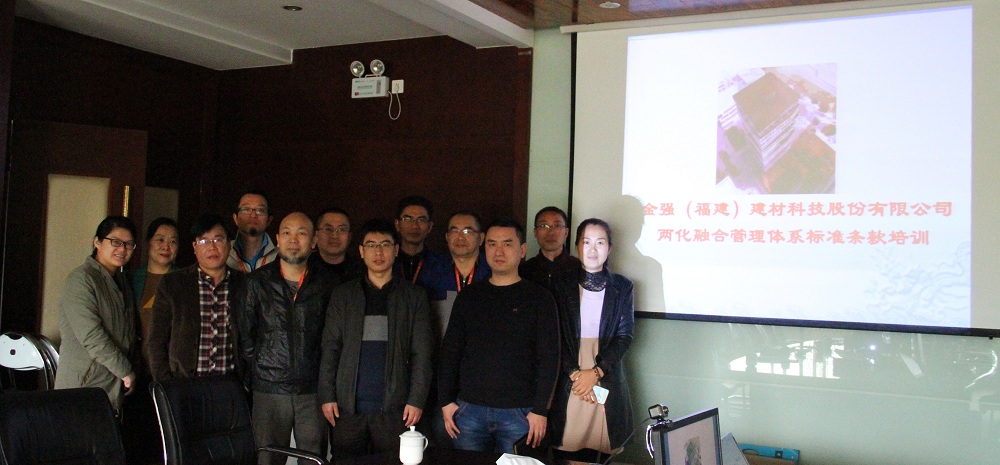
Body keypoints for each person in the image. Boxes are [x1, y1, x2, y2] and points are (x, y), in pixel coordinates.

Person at [438, 218, 560, 454]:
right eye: (492, 244)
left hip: (521, 412)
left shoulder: (539, 298)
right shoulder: (469, 297)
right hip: (469, 410)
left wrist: (540, 410)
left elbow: (550, 358)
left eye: (507, 244)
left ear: (522, 250)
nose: (499, 251)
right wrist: (446, 401)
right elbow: (450, 351)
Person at [318, 218, 434, 459]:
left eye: (385, 244)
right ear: (361, 251)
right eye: (371, 245)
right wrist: (327, 395)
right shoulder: (344, 295)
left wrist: (416, 399)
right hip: (347, 408)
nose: (378, 252)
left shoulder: (414, 297)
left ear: (396, 249)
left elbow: (422, 354)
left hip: (396, 408)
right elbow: (330, 349)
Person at [240, 212, 339, 465]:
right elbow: (246, 336)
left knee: (313, 459)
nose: (293, 239)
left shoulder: (328, 284)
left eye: (301, 233)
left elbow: (333, 339)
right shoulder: (257, 282)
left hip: (313, 390)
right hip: (269, 389)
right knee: (267, 459)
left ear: (314, 241)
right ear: (277, 239)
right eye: (286, 233)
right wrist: (260, 372)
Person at [548, 218, 635, 463]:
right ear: (576, 246)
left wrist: (595, 374)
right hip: (568, 376)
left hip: (605, 372)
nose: (593, 249)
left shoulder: (623, 287)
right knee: (566, 447)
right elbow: (554, 336)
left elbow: (624, 336)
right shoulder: (560, 284)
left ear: (610, 247)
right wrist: (577, 376)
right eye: (586, 242)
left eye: (600, 242)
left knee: (600, 451)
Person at [146, 213, 245, 382]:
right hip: (184, 384)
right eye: (204, 241)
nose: (212, 247)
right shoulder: (173, 283)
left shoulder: (244, 284)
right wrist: (166, 384)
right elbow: (156, 340)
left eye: (218, 239)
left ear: (229, 244)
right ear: (194, 247)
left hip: (230, 385)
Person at [54, 215, 139, 413]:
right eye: (115, 242)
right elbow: (91, 335)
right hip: (84, 384)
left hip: (112, 384)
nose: (122, 249)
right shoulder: (81, 279)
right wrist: (125, 371)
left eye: (129, 244)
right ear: (97, 242)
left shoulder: (121, 281)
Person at [131, 216, 179, 334]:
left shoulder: (184, 280)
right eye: (160, 240)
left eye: (173, 242)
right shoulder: (130, 279)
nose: (166, 247)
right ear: (148, 243)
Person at [520, 206, 580, 287]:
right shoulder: (524, 271)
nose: (551, 232)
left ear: (566, 233)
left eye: (557, 226)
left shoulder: (579, 268)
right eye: (544, 226)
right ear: (535, 232)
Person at [393, 195, 445, 284]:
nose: (414, 226)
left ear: (430, 227)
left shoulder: (442, 265)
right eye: (408, 219)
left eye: (421, 220)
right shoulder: (387, 261)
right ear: (397, 224)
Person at [310, 207, 365, 282]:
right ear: (316, 235)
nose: (335, 236)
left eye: (342, 230)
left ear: (349, 236)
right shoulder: (304, 267)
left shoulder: (363, 271)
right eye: (328, 229)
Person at [228, 190, 278, 273]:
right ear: (235, 218)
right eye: (246, 209)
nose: (253, 215)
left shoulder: (280, 257)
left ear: (269, 220)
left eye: (260, 210)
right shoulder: (224, 253)